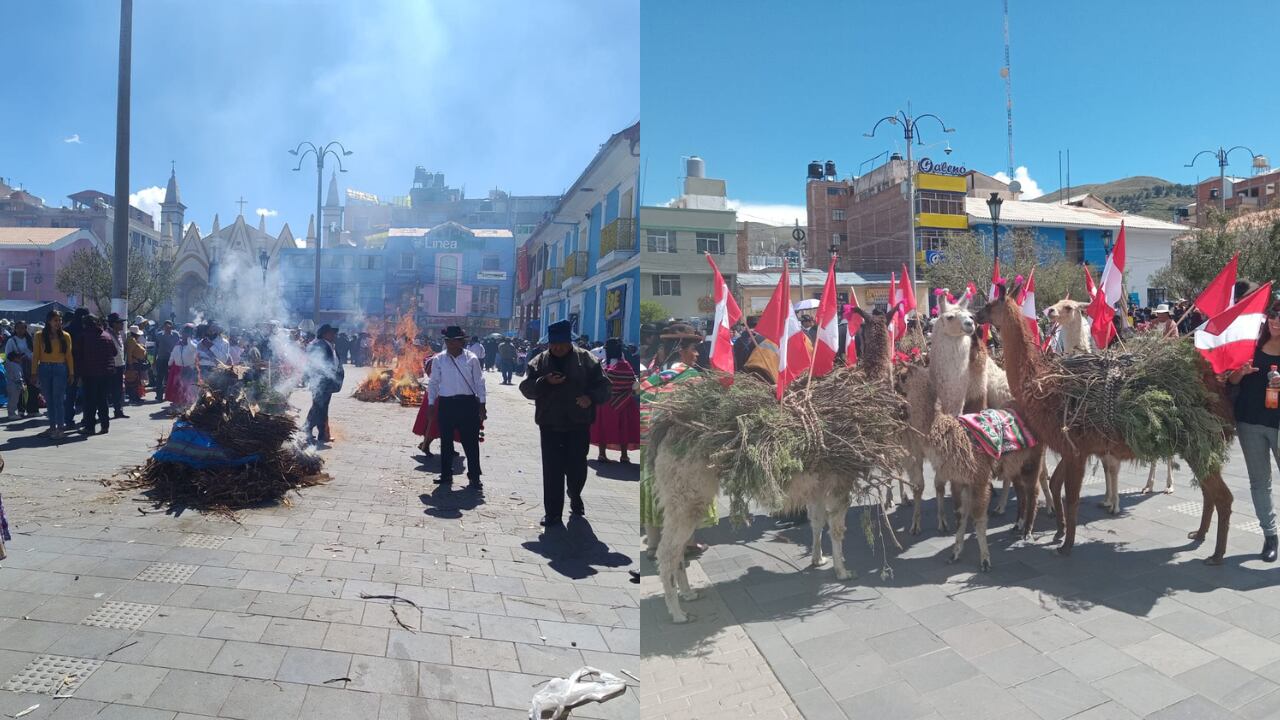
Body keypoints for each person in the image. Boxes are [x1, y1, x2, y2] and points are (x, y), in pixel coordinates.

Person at [519, 320, 610, 527]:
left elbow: (605, 387)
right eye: (554, 344)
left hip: (578, 423)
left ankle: (575, 494)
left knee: (577, 467)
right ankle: (552, 513)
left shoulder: (587, 360)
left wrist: (590, 398)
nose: (557, 348)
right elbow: (526, 388)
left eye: (562, 343)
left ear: (570, 341)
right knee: (552, 469)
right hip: (549, 423)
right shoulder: (539, 362)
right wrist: (544, 382)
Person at [639, 332, 716, 557]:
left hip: (647, 443)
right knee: (684, 495)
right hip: (677, 448)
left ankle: (653, 546)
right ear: (681, 350)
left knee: (653, 492)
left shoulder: (654, 375)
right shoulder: (691, 377)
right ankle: (685, 544)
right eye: (693, 348)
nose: (697, 354)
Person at [1226, 299, 1280, 562]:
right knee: (1260, 483)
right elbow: (1231, 380)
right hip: (1250, 422)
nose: (1276, 320)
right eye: (1273, 314)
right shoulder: (1251, 346)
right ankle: (1270, 537)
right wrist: (1241, 372)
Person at [428, 326, 486, 487]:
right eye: (448, 341)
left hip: (468, 404)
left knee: (471, 442)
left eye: (455, 341)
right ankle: (446, 475)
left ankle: (474, 476)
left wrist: (482, 403)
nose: (451, 344)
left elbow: (479, 382)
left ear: (461, 342)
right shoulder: (439, 359)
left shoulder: (472, 358)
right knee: (446, 442)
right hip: (446, 404)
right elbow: (433, 383)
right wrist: (431, 404)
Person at [590, 338, 640, 464]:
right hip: (624, 402)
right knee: (624, 428)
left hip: (606, 402)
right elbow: (632, 382)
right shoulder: (625, 365)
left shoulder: (603, 365)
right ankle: (624, 456)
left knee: (603, 427)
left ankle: (602, 454)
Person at [32, 310, 74, 438]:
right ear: (49, 321)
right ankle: (52, 427)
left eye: (60, 320)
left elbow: (69, 356)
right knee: (49, 399)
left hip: (60, 368)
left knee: (58, 399)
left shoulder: (65, 335)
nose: (58, 322)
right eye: (55, 320)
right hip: (44, 368)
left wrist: (71, 373)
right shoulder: (39, 335)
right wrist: (33, 372)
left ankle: (60, 428)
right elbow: (35, 356)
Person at [303, 324, 345, 445]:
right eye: (332, 332)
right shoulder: (318, 345)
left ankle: (323, 434)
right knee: (318, 408)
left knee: (322, 408)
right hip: (321, 382)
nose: (334, 335)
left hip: (326, 382)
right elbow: (315, 364)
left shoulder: (328, 344)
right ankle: (307, 429)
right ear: (325, 333)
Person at [78, 315, 117, 435]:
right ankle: (105, 426)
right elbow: (114, 352)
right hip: (106, 373)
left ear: (85, 324)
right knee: (102, 399)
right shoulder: (106, 335)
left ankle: (90, 427)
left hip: (89, 373)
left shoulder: (83, 337)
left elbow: (79, 356)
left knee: (90, 401)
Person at [165, 324, 199, 412]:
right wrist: (170, 362)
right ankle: (178, 404)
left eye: (187, 333)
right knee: (178, 387)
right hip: (178, 369)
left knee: (187, 388)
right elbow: (173, 354)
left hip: (189, 369)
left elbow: (193, 350)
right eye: (184, 333)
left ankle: (187, 405)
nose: (184, 335)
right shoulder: (178, 344)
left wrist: (189, 340)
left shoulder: (193, 344)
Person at [4, 321, 32, 419]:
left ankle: (23, 409)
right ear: (15, 329)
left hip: (26, 367)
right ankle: (11, 412)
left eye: (23, 328)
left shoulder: (28, 340)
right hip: (14, 368)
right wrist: (19, 358)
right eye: (18, 328)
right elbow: (8, 355)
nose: (20, 330)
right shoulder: (11, 340)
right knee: (15, 389)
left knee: (25, 390)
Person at [105, 314, 128, 418]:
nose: (122, 324)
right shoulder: (107, 334)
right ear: (114, 324)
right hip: (111, 366)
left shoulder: (119, 334)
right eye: (120, 322)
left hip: (120, 365)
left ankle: (118, 410)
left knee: (118, 390)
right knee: (109, 390)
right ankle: (104, 412)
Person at [153, 320, 180, 403]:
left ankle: (169, 395)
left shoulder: (176, 335)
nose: (168, 328)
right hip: (161, 359)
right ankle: (159, 396)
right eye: (166, 326)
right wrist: (154, 360)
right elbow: (156, 348)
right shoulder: (159, 335)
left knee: (169, 378)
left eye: (169, 326)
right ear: (163, 327)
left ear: (172, 327)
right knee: (159, 378)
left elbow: (179, 345)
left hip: (171, 359)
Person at [124, 325, 149, 404]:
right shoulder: (131, 340)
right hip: (134, 363)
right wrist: (130, 364)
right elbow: (129, 353)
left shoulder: (133, 340)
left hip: (136, 362)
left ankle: (136, 397)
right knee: (133, 381)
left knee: (136, 381)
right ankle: (134, 397)